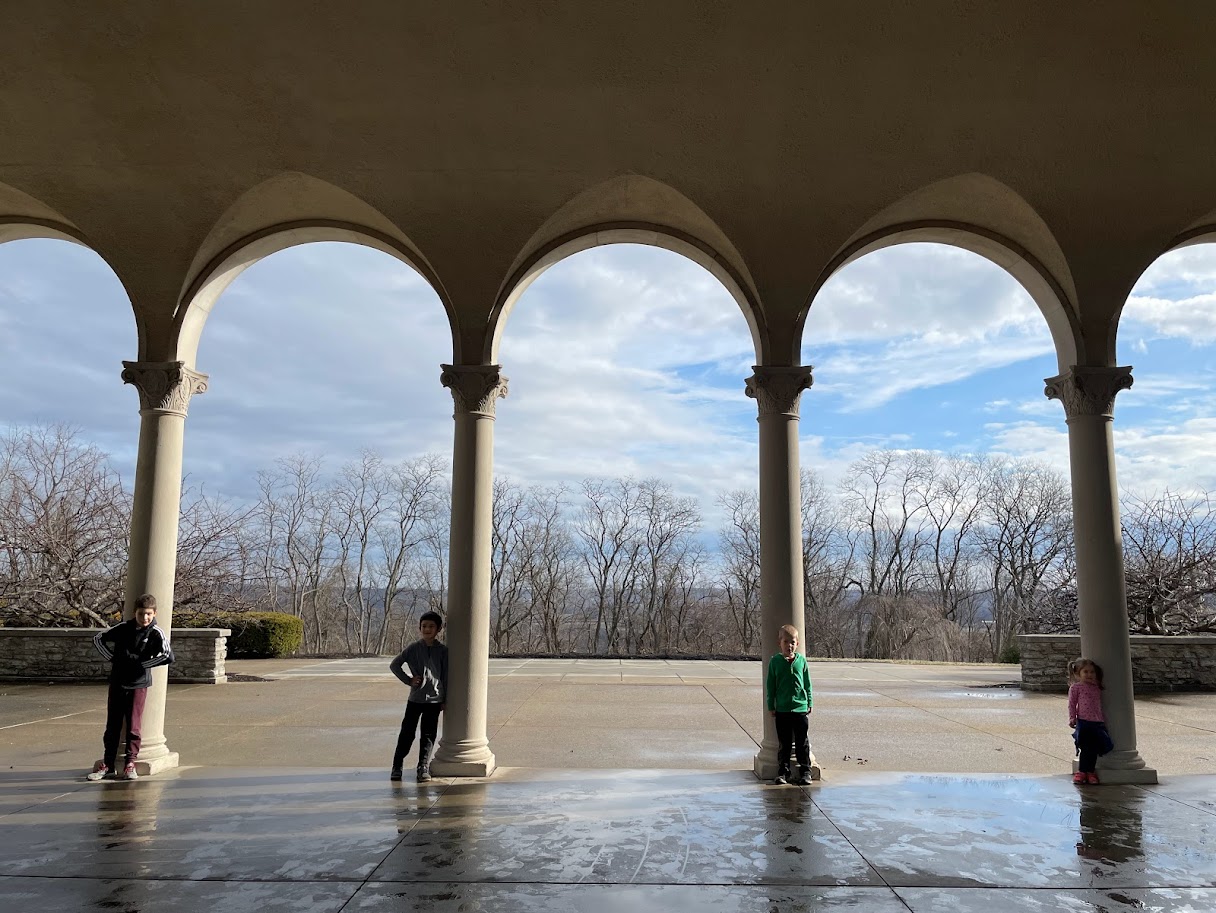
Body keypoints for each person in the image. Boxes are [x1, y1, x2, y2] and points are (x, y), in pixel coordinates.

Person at [86, 594, 174, 781]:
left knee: (133, 726)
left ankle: (130, 763)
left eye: (149, 614)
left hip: (138, 685)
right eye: (141, 614)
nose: (145, 618)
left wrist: (143, 664)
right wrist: (112, 658)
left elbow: (168, 655)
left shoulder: (155, 632)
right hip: (118, 682)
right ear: (135, 612)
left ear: (154, 613)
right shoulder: (123, 628)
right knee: (113, 725)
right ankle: (108, 764)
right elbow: (98, 639)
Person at [389, 611, 448, 782]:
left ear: (438, 629)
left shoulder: (443, 651)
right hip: (415, 699)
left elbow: (445, 676)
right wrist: (409, 680)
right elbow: (395, 665)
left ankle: (423, 766)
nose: (427, 629)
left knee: (428, 735)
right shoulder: (413, 648)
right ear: (419, 628)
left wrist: (445, 699)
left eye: (431, 626)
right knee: (407, 733)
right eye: (424, 626)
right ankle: (397, 765)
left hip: (434, 700)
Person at [766, 623, 813, 785]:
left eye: (792, 642)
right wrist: (771, 705)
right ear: (780, 643)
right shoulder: (775, 662)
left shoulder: (801, 661)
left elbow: (807, 683)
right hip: (782, 710)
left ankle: (805, 771)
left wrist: (809, 701)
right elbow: (770, 686)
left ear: (797, 644)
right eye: (786, 642)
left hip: (800, 708)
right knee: (784, 743)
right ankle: (783, 772)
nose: (789, 646)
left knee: (802, 742)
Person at [1068, 657, 1113, 785]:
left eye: (1092, 672)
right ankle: (1082, 771)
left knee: (1094, 749)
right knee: (1085, 748)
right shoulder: (1076, 688)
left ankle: (1090, 772)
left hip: (1097, 722)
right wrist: (1072, 718)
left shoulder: (1096, 687)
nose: (1089, 675)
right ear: (1078, 674)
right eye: (1085, 672)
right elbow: (1072, 704)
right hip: (1083, 722)